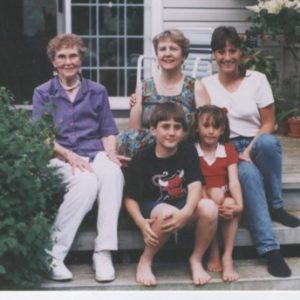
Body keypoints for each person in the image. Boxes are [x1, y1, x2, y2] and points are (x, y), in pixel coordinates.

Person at [195, 26, 300, 278]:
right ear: (214, 54)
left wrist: (250, 150)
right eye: (221, 51)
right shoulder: (206, 85)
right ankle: (270, 249)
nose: (227, 57)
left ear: (241, 52)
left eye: (233, 50)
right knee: (249, 176)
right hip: (227, 147)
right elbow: (205, 125)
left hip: (256, 142)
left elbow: (269, 123)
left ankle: (275, 205)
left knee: (269, 143)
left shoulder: (257, 79)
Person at [32, 34, 125, 282]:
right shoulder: (43, 93)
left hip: (94, 153)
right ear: (53, 61)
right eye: (61, 56)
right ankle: (52, 254)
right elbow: (42, 136)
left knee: (113, 173)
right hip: (59, 158)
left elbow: (107, 130)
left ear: (81, 59)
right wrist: (69, 155)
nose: (68, 61)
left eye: (73, 55)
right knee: (85, 181)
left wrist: (112, 154)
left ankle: (103, 252)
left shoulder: (97, 91)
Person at [124, 102, 218, 286]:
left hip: (182, 206)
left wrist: (187, 212)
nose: (172, 132)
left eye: (177, 127)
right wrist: (140, 222)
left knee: (210, 207)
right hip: (154, 209)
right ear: (153, 130)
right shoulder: (142, 158)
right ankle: (146, 260)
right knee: (168, 212)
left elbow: (195, 184)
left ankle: (196, 259)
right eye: (165, 126)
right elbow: (130, 198)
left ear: (183, 132)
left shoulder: (187, 150)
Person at [118, 29, 201, 158]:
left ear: (183, 56)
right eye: (162, 49)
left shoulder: (195, 87)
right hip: (149, 154)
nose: (167, 53)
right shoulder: (145, 87)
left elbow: (205, 127)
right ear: (157, 55)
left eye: (173, 49)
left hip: (183, 152)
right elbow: (133, 133)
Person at [191, 105, 243, 282]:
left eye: (216, 127)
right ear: (197, 127)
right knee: (215, 196)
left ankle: (227, 255)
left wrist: (239, 205)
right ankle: (213, 250)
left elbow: (234, 181)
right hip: (203, 198)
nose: (211, 131)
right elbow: (196, 184)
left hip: (224, 199)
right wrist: (210, 199)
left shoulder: (228, 149)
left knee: (228, 202)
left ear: (222, 130)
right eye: (206, 126)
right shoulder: (192, 151)